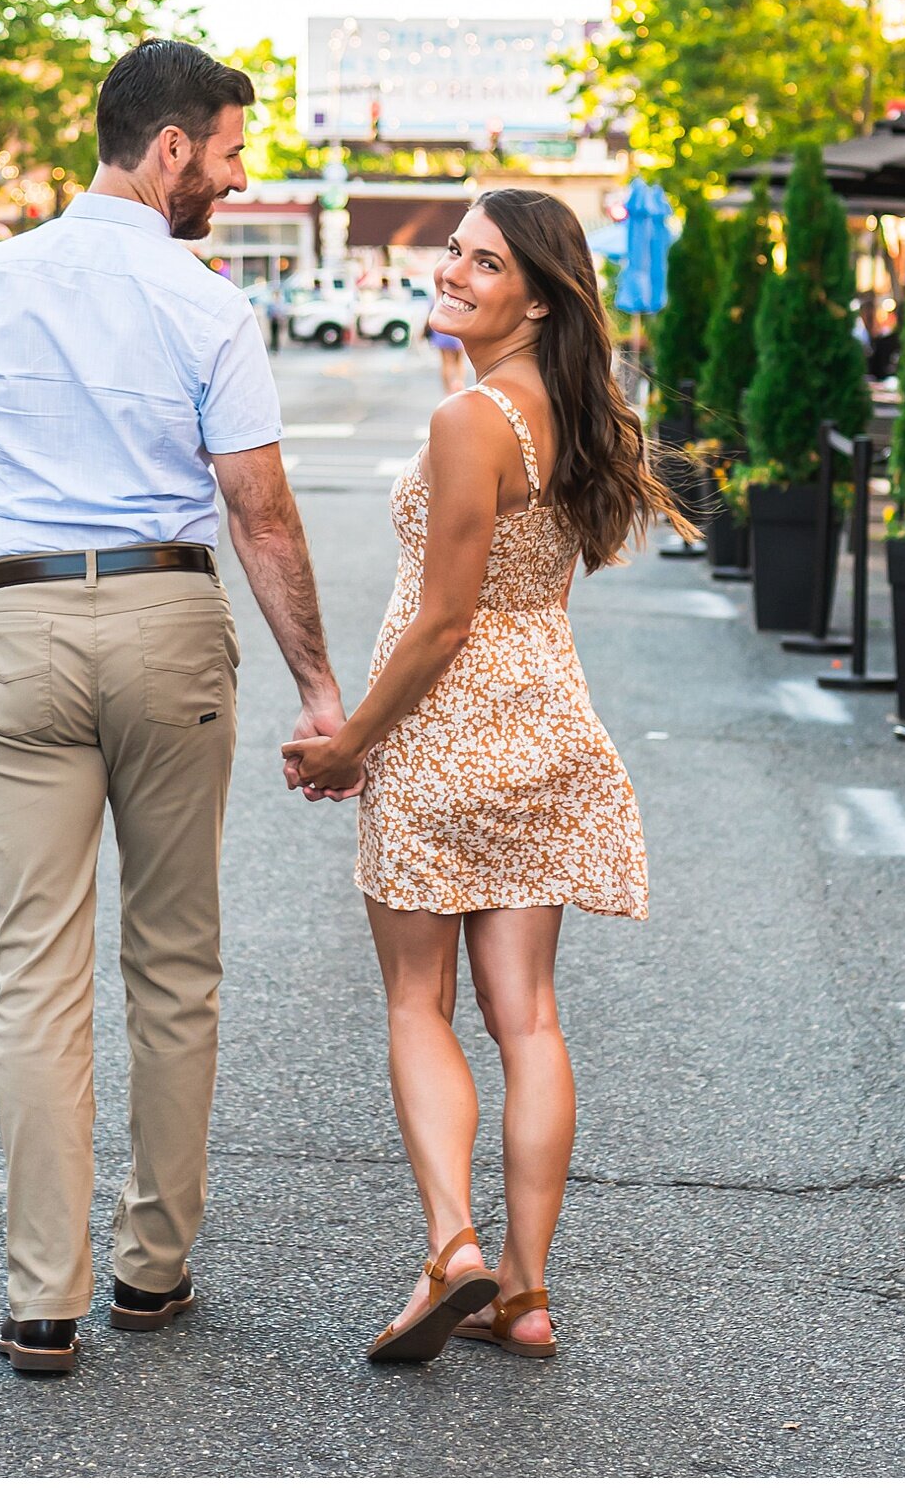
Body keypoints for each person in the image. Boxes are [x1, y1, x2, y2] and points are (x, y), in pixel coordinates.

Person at [0, 39, 344, 1376]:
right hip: (167, 623)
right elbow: (258, 511)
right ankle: (152, 1272)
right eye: (227, 153)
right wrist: (319, 685)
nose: (235, 176)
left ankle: (43, 1295)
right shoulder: (208, 305)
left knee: (33, 973)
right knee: (175, 960)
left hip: (24, 622)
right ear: (169, 153)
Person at [283, 188, 684, 1368]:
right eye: (453, 251)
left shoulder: (472, 421)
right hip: (548, 723)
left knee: (420, 1005)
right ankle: (526, 1291)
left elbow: (445, 617)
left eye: (483, 261)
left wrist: (353, 739)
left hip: (447, 730)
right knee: (533, 1017)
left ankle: (453, 1244)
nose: (452, 270)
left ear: (539, 294)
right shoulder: (574, 413)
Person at [423, 288, 467, 394]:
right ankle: (459, 385)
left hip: (442, 330)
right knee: (459, 361)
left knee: (446, 362)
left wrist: (424, 330)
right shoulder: (463, 294)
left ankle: (448, 391)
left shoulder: (437, 294)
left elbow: (431, 314)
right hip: (459, 330)